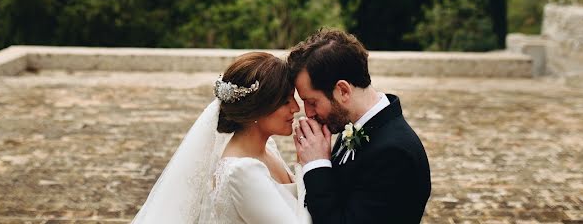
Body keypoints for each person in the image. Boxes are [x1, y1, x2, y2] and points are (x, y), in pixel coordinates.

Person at [131, 51, 311, 223]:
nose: (296, 108)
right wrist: (306, 166)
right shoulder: (242, 171)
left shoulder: (267, 148)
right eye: (285, 101)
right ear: (258, 108)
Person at [289, 29, 431, 223]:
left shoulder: (394, 154)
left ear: (343, 91)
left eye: (312, 102)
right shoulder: (352, 125)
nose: (309, 113)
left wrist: (317, 165)